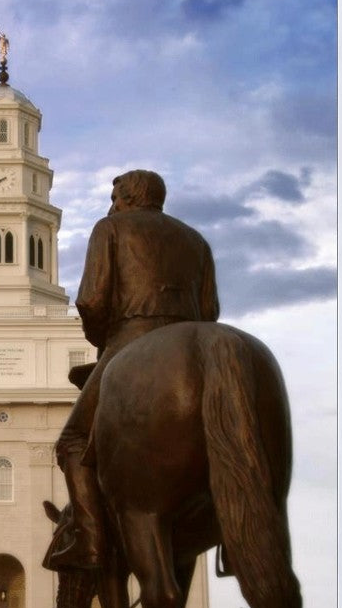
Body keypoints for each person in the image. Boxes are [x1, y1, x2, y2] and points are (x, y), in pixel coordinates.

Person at [50, 169, 220, 571]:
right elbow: (211, 312)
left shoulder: (110, 228)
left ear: (126, 198)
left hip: (131, 339)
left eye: (115, 197)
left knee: (72, 441)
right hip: (196, 348)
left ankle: (89, 540)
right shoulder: (196, 240)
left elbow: (91, 301)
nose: (112, 205)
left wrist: (102, 342)